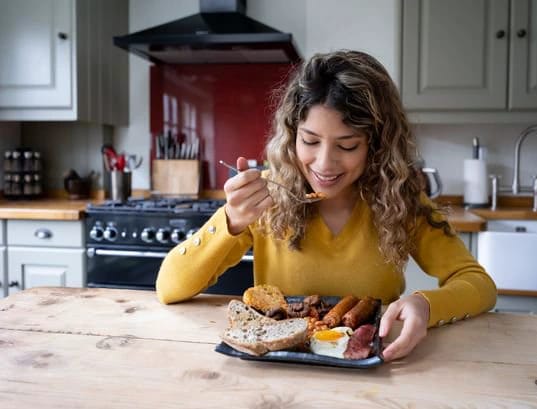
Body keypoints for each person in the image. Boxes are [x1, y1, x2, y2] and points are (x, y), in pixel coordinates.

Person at [156, 50, 497, 362]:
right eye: (310, 140)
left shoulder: (399, 200)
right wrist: (230, 221)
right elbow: (169, 287)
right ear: (292, 135)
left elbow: (478, 284)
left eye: (347, 146)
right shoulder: (267, 195)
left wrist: (426, 305)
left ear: (375, 146)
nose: (324, 163)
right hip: (275, 380)